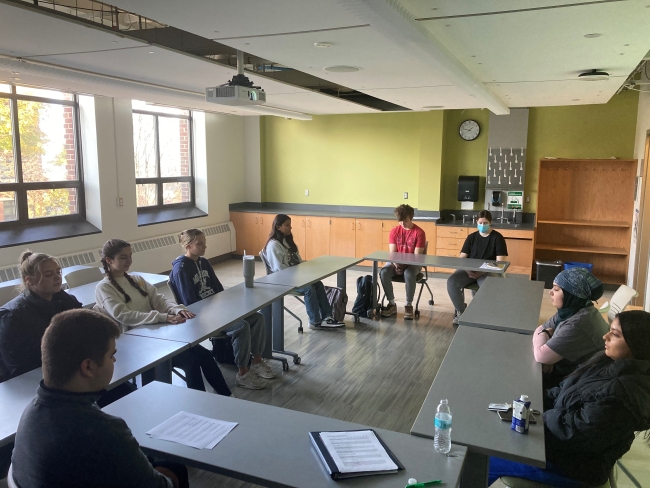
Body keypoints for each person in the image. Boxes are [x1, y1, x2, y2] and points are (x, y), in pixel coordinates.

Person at [11, 308, 189, 488]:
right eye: (111, 355)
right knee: (175, 468)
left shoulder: (30, 413)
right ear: (88, 367)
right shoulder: (103, 431)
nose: (114, 361)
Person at [489, 310, 650, 487]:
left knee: (483, 459)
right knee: (493, 436)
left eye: (615, 334)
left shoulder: (623, 393)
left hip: (571, 467)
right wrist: (535, 403)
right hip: (555, 443)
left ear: (638, 344)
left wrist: (543, 416)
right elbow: (565, 388)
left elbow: (574, 433)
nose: (606, 336)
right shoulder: (607, 362)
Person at [95, 239, 231, 396]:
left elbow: (159, 300)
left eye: (130, 256)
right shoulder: (104, 287)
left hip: (157, 336)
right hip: (135, 344)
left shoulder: (136, 280)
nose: (129, 261)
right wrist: (162, 317)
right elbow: (124, 315)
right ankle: (200, 404)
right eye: (123, 257)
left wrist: (176, 309)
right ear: (109, 260)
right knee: (191, 362)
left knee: (205, 355)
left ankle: (227, 396)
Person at [169, 229, 275, 390]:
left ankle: (257, 361)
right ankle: (243, 373)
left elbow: (218, 288)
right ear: (188, 246)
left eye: (205, 243)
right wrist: (217, 310)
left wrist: (228, 305)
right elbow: (190, 302)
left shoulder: (204, 262)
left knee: (257, 318)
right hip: (202, 316)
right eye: (200, 243)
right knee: (241, 326)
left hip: (219, 309)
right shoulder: (181, 269)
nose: (204, 246)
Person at [0, 251, 82, 381]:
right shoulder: (12, 316)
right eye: (49, 274)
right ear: (29, 280)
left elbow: (84, 331)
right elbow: (20, 369)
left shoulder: (64, 300)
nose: (57, 277)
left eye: (58, 272)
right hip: (35, 379)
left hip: (66, 369)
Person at [533, 267, 608, 387]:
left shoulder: (578, 323)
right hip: (568, 372)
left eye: (556, 289)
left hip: (573, 382)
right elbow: (539, 328)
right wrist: (549, 349)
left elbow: (541, 355)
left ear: (571, 295)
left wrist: (545, 335)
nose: (550, 292)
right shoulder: (573, 309)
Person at [264, 214, 337, 330]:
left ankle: (327, 317)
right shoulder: (273, 246)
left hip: (295, 277)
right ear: (278, 227)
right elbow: (279, 269)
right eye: (287, 225)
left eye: (290, 225)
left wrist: (304, 272)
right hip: (282, 280)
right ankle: (314, 322)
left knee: (318, 284)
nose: (290, 228)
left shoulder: (288, 242)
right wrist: (298, 277)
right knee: (308, 289)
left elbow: (299, 261)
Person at [447, 210, 508, 325]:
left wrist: (482, 272)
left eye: (485, 223)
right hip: (469, 271)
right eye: (480, 222)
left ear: (490, 223)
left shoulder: (497, 238)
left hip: (488, 272)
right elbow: (462, 258)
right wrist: (467, 270)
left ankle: (483, 314)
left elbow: (500, 262)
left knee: (486, 287)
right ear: (476, 222)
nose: (483, 225)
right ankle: (461, 311)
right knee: (451, 282)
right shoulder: (471, 237)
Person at [380, 204, 426, 320]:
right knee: (384, 272)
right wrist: (396, 264)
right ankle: (391, 303)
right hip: (397, 262)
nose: (402, 224)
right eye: (400, 221)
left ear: (411, 218)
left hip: (413, 263)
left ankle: (409, 304)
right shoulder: (394, 231)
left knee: (409, 274)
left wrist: (403, 265)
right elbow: (392, 253)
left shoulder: (419, 233)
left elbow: (416, 256)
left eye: (405, 221)